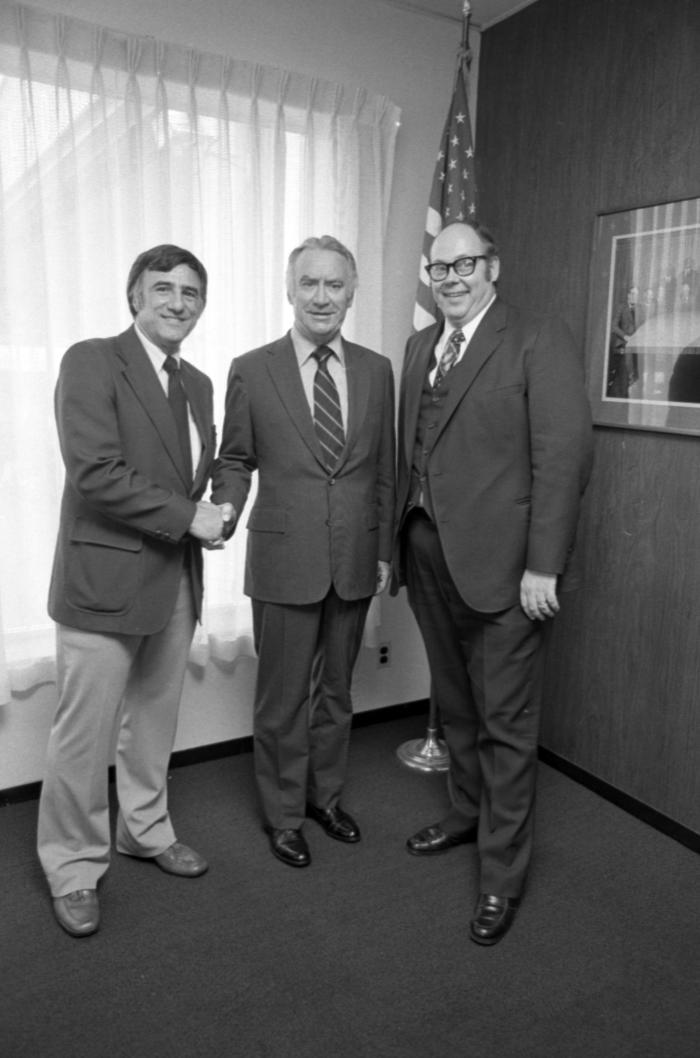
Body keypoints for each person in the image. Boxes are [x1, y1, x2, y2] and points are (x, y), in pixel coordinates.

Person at [394, 221, 593, 945]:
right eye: (439, 266)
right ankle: (465, 813)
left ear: (492, 268)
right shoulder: (421, 346)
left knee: (506, 723)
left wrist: (545, 562)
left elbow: (563, 458)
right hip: (424, 554)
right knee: (456, 705)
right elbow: (412, 453)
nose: (450, 277)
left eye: (464, 263)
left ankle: (501, 877)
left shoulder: (537, 338)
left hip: (507, 569)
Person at [38, 244, 232, 938]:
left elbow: (200, 476)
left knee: (153, 721)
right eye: (163, 288)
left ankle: (144, 830)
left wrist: (217, 511)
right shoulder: (92, 361)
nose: (177, 302)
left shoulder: (201, 384)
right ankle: (72, 865)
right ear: (134, 296)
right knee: (83, 736)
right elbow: (95, 472)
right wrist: (192, 518)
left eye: (190, 292)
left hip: (175, 579)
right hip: (104, 579)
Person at [212, 235, 395, 868]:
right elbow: (235, 457)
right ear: (289, 290)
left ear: (352, 293)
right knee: (283, 698)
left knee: (337, 693)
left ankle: (326, 798)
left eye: (334, 285)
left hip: (354, 558)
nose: (322, 296)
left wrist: (385, 548)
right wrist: (224, 509)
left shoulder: (376, 370)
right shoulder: (252, 368)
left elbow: (385, 471)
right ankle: (285, 816)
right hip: (284, 559)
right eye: (309, 284)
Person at [606, 284, 644, 398]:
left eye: (636, 294)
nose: (635, 297)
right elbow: (613, 326)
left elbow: (643, 326)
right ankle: (629, 381)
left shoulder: (640, 309)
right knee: (627, 363)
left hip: (636, 342)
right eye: (632, 294)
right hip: (623, 342)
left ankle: (634, 384)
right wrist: (625, 336)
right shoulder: (621, 307)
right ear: (628, 295)